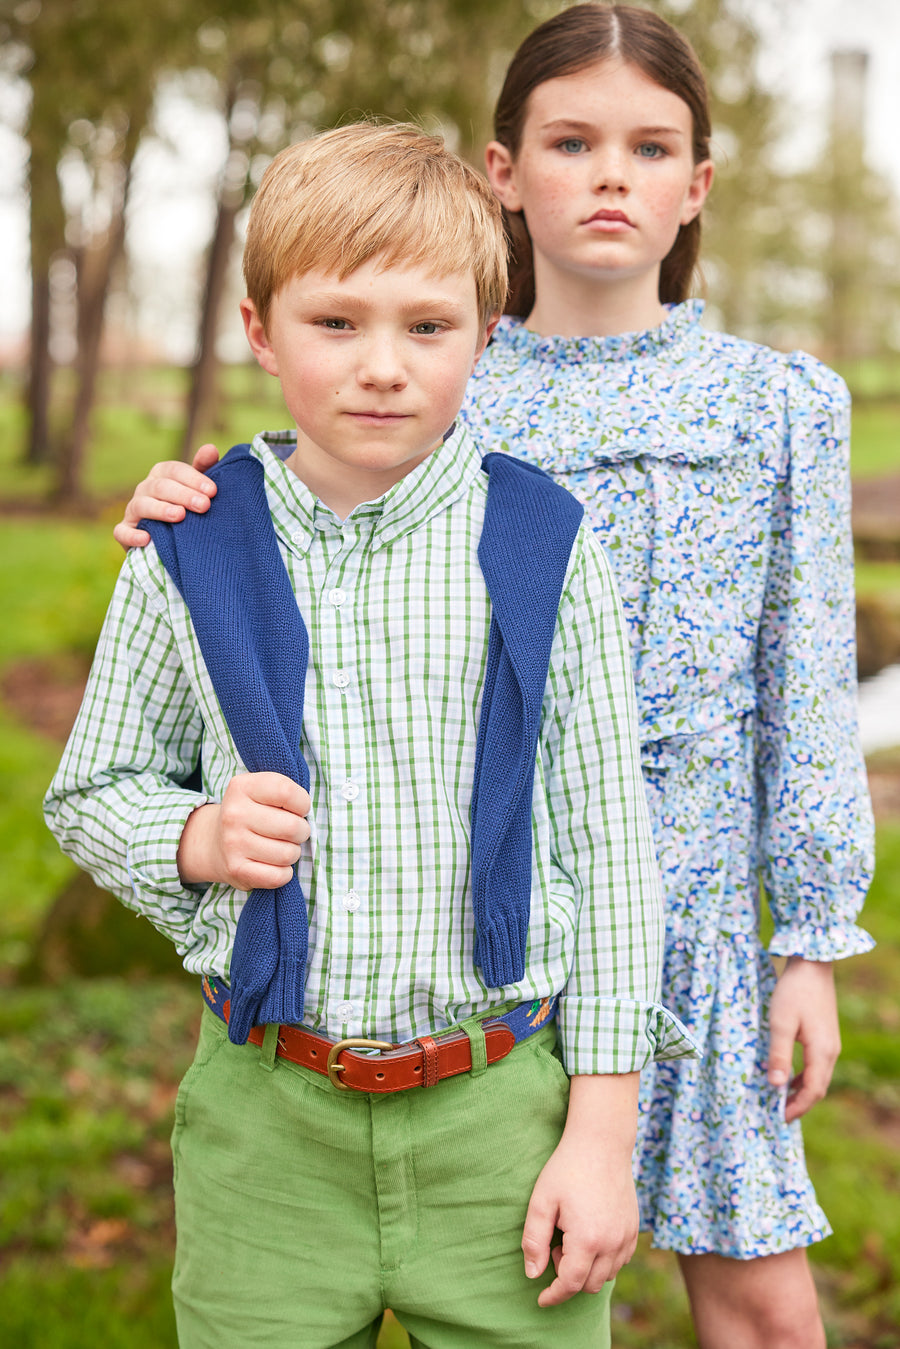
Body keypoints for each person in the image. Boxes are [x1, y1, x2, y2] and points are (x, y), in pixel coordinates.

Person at [116, 7, 877, 1349]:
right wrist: (188, 499)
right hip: (476, 898)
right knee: (501, 1279)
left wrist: (807, 941)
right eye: (571, 140)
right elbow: (303, 486)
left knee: (757, 1295)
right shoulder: (444, 362)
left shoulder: (781, 404)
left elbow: (805, 684)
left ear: (697, 183)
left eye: (649, 148)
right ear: (502, 172)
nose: (607, 174)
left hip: (684, 904)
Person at [45, 121, 694, 1349]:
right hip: (267, 1121)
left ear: (486, 335)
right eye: (335, 323)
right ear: (258, 329)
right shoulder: (191, 543)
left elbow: (612, 851)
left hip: (501, 1111)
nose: (381, 366)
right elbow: (94, 787)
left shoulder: (544, 547)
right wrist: (193, 832)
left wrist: (603, 1136)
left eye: (428, 327)